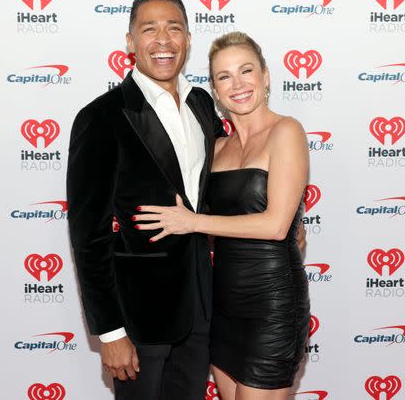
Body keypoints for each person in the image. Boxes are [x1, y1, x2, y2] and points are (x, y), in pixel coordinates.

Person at [66, 0, 226, 400]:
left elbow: (237, 173)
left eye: (174, 28)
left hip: (200, 307)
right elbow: (89, 236)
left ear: (188, 39)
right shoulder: (101, 117)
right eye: (149, 29)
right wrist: (111, 332)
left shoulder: (203, 106)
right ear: (130, 41)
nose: (163, 40)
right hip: (138, 317)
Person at [133, 32, 311, 400]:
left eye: (246, 71)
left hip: (273, 303)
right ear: (214, 89)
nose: (238, 84)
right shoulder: (215, 147)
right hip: (222, 304)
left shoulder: (286, 131)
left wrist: (193, 222)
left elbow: (276, 226)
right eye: (224, 77)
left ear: (265, 76)